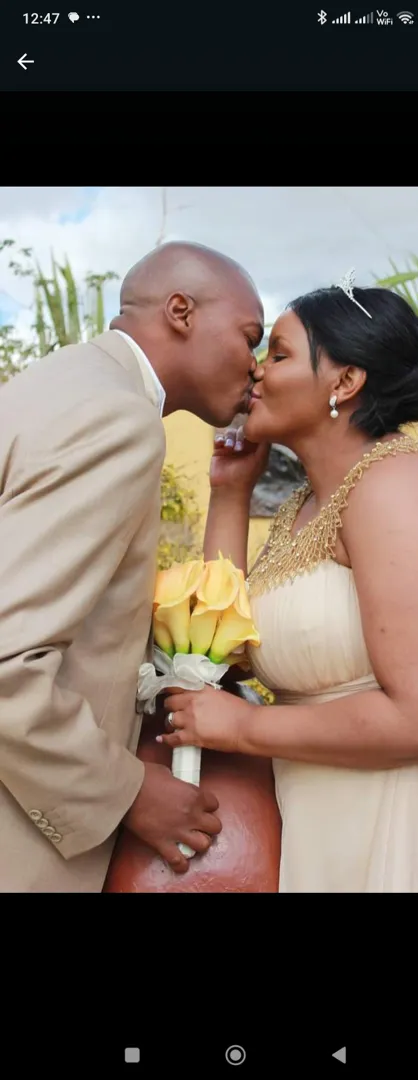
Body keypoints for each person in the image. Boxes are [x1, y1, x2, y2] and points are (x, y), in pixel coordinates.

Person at [159, 273, 418, 892]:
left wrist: (244, 729)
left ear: (344, 381)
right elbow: (225, 647)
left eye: (278, 354)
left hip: (408, 821)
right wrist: (230, 493)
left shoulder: (399, 485)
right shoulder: (306, 504)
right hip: (324, 820)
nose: (256, 370)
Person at [0, 240, 264, 892]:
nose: (255, 367)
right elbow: (8, 658)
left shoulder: (54, 385)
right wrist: (128, 792)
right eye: (249, 337)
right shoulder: (117, 420)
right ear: (181, 311)